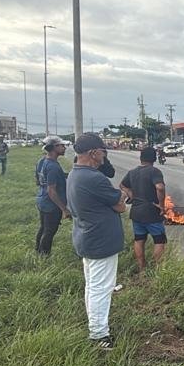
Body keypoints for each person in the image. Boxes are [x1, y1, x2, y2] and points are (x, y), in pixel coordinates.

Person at [66, 133, 127, 350]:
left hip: (87, 237)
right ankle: (99, 335)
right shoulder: (94, 178)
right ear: (93, 153)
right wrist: (121, 200)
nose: (104, 155)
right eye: (103, 151)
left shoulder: (75, 174)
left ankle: (96, 325)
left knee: (93, 286)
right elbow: (120, 204)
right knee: (102, 288)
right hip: (100, 241)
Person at [120, 147, 167, 276]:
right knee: (159, 240)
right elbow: (160, 187)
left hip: (136, 212)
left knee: (139, 240)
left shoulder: (132, 172)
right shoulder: (154, 171)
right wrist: (161, 205)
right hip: (151, 212)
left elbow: (122, 185)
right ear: (154, 158)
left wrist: (132, 195)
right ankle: (159, 271)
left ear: (141, 158)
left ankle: (142, 269)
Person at [34, 136, 70, 257]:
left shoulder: (42, 161)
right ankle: (44, 256)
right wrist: (64, 209)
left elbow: (38, 180)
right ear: (54, 148)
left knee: (43, 227)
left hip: (41, 199)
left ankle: (38, 251)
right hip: (51, 204)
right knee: (49, 231)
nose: (64, 148)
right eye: (62, 146)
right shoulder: (53, 166)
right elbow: (52, 191)